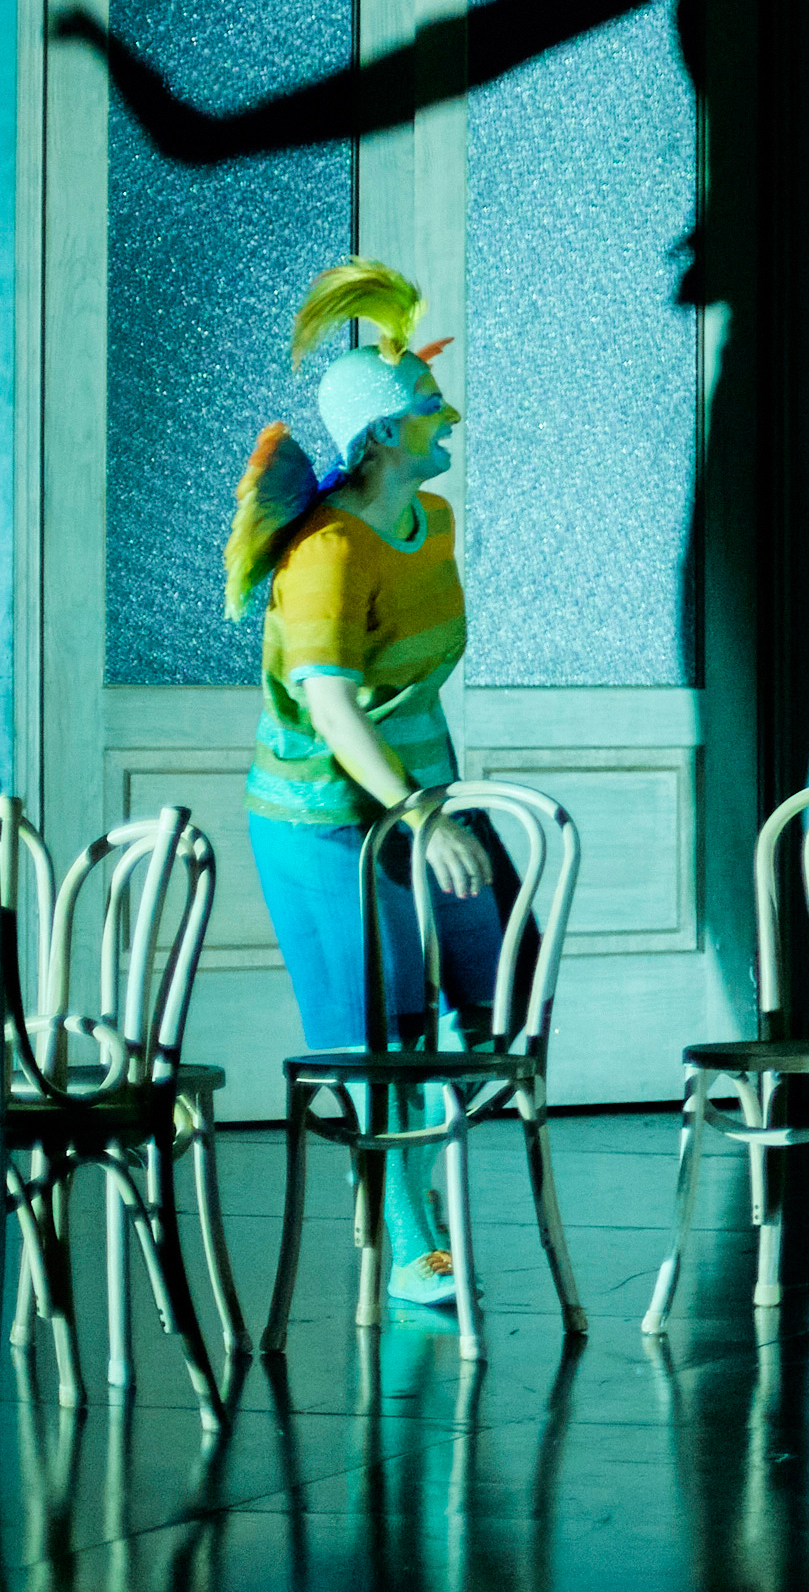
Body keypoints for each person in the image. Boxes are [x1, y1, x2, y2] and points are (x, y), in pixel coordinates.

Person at [228, 258, 502, 1311]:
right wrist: (421, 812)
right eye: (430, 408)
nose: (452, 419)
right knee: (374, 1025)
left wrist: (443, 802)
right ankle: (406, 1227)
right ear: (381, 436)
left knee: (494, 999)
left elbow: (411, 692)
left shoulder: (423, 529)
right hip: (325, 820)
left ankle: (406, 1187)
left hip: (422, 799)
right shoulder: (327, 553)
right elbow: (337, 707)